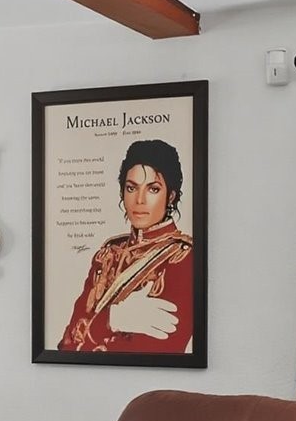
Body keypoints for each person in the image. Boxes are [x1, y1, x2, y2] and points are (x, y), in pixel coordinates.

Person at [58, 139, 195, 355]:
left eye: (153, 189)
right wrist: (112, 319)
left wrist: (95, 328)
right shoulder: (107, 253)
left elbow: (161, 350)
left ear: (171, 196)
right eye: (131, 188)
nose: (139, 200)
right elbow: (67, 345)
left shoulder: (183, 257)